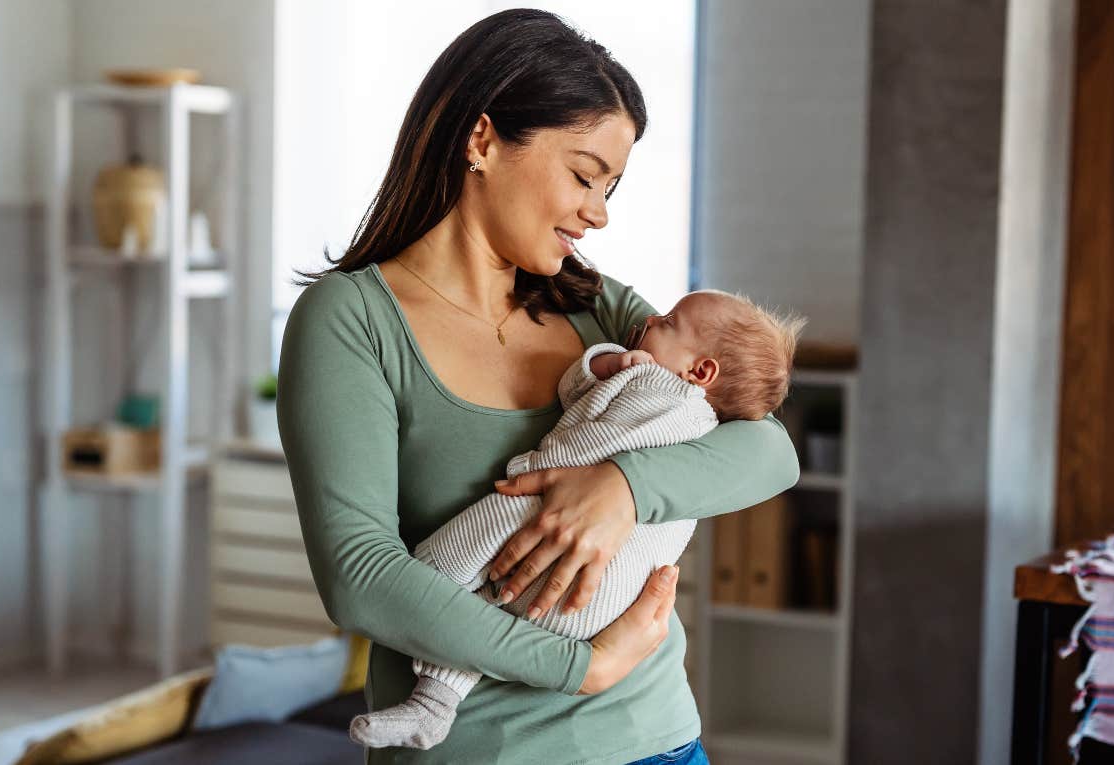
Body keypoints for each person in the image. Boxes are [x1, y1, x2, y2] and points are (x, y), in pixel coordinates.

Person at [276, 9, 799, 764]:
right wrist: (582, 667)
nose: (600, 212)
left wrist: (622, 486)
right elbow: (360, 575)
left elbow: (771, 449)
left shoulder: (598, 308)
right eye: (585, 174)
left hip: (657, 741)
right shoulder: (351, 320)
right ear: (482, 139)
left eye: (612, 185)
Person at [347, 290, 805, 750]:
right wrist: (610, 364)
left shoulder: (662, 388)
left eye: (667, 322)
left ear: (701, 371)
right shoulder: (682, 397)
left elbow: (592, 441)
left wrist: (615, 485)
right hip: (588, 616)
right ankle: (434, 707)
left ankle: (433, 693)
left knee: (438, 574)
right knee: (488, 603)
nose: (650, 320)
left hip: (623, 667)